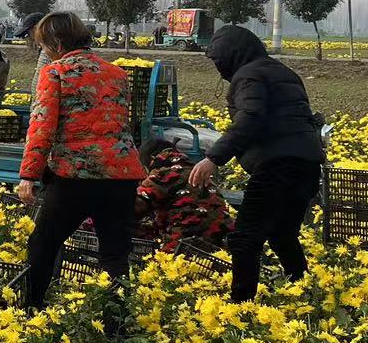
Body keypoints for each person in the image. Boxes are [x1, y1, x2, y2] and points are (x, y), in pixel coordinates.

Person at [188, 24, 326, 302]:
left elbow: (250, 119)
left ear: (232, 54)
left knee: (245, 238)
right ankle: (302, 291)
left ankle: (241, 306)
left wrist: (213, 158)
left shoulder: (248, 76)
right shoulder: (283, 71)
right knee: (282, 232)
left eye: (219, 60)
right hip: (308, 164)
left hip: (278, 165)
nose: (219, 67)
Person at [15, 12, 143, 308]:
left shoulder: (56, 72)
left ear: (58, 43)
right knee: (114, 252)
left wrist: (29, 176)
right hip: (122, 175)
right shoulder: (117, 73)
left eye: (45, 45)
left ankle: (30, 309)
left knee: (43, 243)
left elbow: (42, 126)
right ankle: (117, 321)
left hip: (76, 175)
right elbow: (123, 124)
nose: (44, 51)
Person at [137, 138, 233, 253]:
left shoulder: (162, 173)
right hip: (219, 240)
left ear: (151, 159)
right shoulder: (194, 169)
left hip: (185, 244)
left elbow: (134, 206)